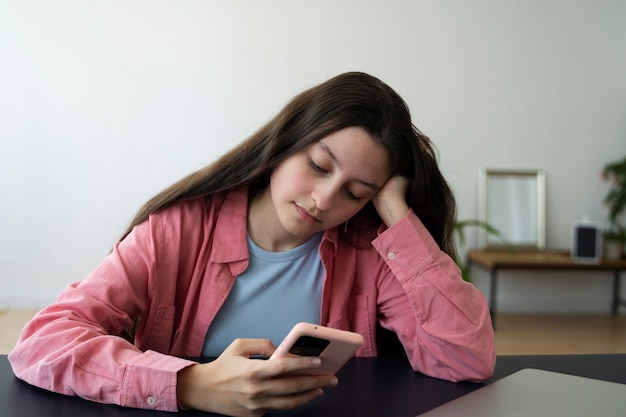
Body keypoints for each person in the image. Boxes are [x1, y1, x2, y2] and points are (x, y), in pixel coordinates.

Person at [9, 72, 495, 417]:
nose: (323, 199)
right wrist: (190, 385)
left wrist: (396, 212)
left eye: (355, 192)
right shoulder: (178, 229)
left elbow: (467, 360)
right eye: (319, 166)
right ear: (286, 142)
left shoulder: (370, 250)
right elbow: (40, 344)